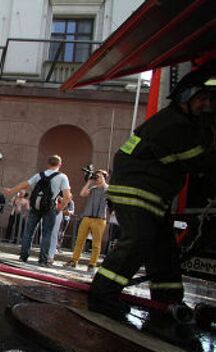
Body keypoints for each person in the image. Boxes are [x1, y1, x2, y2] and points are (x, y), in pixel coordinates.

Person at [88, 67, 216, 318]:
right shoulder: (175, 126)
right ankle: (102, 295)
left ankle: (168, 303)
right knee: (140, 239)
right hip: (135, 190)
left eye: (210, 100)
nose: (207, 105)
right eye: (202, 99)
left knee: (164, 250)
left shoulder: (182, 123)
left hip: (150, 194)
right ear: (185, 97)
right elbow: (202, 161)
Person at [5, 155, 72, 267]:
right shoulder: (62, 177)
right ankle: (43, 260)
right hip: (50, 208)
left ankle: (23, 256)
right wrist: (60, 208)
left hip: (36, 207)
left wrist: (12, 190)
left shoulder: (39, 175)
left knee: (28, 232)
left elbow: (25, 184)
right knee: (47, 234)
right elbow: (67, 196)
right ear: (60, 164)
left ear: (48, 164)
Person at [64, 169, 109, 269]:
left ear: (104, 178)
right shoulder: (93, 188)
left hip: (100, 219)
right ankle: (74, 261)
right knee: (79, 241)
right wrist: (89, 181)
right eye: (96, 177)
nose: (97, 179)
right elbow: (82, 194)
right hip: (87, 217)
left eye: (99, 177)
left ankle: (92, 264)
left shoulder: (109, 190)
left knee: (96, 244)